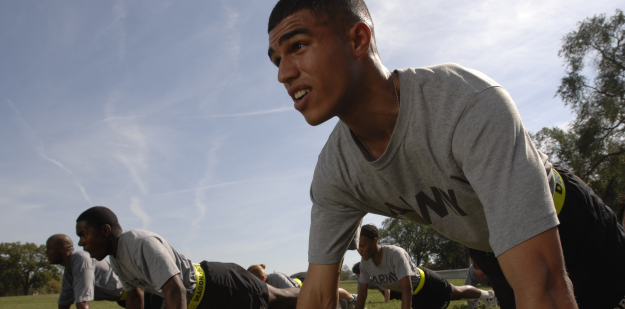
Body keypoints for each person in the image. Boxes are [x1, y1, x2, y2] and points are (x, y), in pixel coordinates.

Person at [265, 0, 625, 308]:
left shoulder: (464, 103)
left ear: (358, 39)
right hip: (494, 254)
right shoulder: (335, 172)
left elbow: (545, 287)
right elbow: (316, 295)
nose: (283, 73)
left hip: (571, 228)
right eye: (276, 59)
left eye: (297, 46)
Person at [75, 206, 299, 309]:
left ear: (105, 230)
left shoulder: (140, 243)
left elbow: (175, 290)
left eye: (84, 235)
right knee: (280, 299)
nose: (80, 243)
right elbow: (134, 298)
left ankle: (328, 293)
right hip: (203, 301)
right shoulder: (116, 259)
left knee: (281, 299)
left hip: (218, 285)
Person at [355, 225, 495, 309]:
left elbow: (407, 289)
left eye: (363, 245)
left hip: (427, 284)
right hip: (415, 296)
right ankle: (479, 296)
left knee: (457, 292)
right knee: (456, 294)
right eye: (357, 246)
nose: (360, 250)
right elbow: (362, 294)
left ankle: (487, 295)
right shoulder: (365, 263)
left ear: (375, 241)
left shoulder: (395, 254)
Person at [247, 264, 357, 309]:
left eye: (254, 283)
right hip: (297, 287)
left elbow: (295, 294)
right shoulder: (263, 288)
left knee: (326, 292)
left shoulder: (276, 278)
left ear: (261, 279)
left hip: (303, 284)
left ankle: (352, 298)